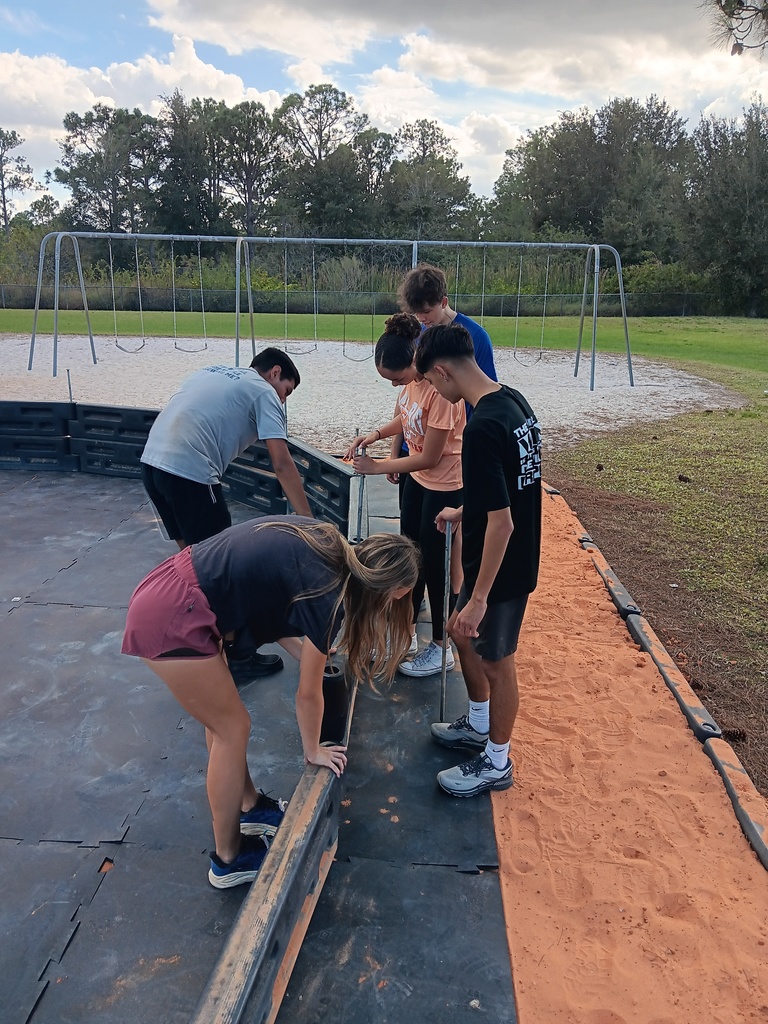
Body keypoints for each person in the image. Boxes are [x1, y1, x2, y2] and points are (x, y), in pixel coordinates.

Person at [122, 517, 420, 888]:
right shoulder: (329, 596)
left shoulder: (327, 544)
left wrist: (308, 653)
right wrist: (313, 751)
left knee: (222, 723)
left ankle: (249, 805)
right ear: (396, 592)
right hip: (172, 612)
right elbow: (307, 694)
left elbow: (271, 602)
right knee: (232, 728)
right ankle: (229, 859)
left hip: (173, 589)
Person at [414, 323, 542, 798]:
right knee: (460, 636)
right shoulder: (512, 401)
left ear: (444, 372)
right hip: (501, 557)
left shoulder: (483, 426)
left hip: (503, 570)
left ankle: (496, 761)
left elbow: (505, 523)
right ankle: (479, 724)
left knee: (496, 661)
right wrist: (466, 508)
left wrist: (480, 597)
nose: (433, 391)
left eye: (430, 381)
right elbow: (511, 486)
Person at [141, 347, 314, 678]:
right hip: (190, 472)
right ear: (275, 372)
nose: (284, 401)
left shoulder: (211, 371)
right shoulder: (264, 392)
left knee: (193, 563)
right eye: (287, 392)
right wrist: (307, 521)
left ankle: (209, 642)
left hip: (152, 464)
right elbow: (281, 461)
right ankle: (238, 658)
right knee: (223, 570)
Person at [344, 313, 465, 678]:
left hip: (444, 485)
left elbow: (431, 454)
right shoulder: (410, 387)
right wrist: (376, 435)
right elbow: (408, 419)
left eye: (396, 377)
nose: (395, 385)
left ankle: (442, 648)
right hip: (418, 481)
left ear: (416, 361)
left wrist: (380, 466)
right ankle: (407, 631)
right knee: (407, 556)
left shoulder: (441, 392)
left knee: (435, 565)